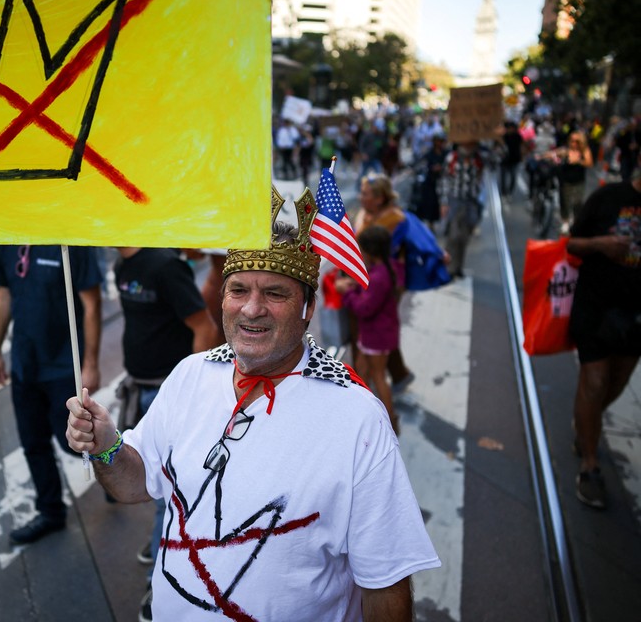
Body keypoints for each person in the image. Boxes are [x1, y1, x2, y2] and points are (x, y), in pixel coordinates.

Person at [66, 187, 440, 620]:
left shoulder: (357, 418)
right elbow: (135, 484)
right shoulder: (190, 375)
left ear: (308, 307)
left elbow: (386, 582)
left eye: (276, 294)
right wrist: (106, 445)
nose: (252, 309)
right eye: (238, 289)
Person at [114, 246, 221, 621]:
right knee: (145, 479)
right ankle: (161, 541)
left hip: (164, 391)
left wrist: (191, 392)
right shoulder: (121, 263)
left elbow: (204, 327)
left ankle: (158, 581)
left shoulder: (166, 266)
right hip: (139, 385)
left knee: (168, 493)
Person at [0, 244, 102, 544]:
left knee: (76, 444)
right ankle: (51, 511)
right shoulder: (7, 240)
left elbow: (91, 304)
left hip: (64, 366)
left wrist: (90, 364)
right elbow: (4, 294)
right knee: (33, 442)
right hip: (25, 364)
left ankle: (115, 472)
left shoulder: (68, 240)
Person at [567, 158, 641, 509]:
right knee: (594, 382)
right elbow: (572, 244)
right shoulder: (608, 197)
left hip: (636, 317)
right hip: (596, 308)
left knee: (615, 384)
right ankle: (590, 464)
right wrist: (602, 244)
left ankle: (584, 423)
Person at [335, 226, 404, 433]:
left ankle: (391, 422)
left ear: (370, 252)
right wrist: (356, 286)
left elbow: (365, 308)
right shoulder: (385, 268)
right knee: (363, 369)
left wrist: (346, 294)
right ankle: (361, 410)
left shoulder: (379, 277)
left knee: (379, 376)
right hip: (375, 333)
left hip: (377, 336)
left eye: (362, 250)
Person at [352, 174, 414, 394]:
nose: (361, 198)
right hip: (364, 277)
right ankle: (393, 374)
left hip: (382, 281)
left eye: (366, 194)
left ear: (379, 198)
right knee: (374, 330)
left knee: (375, 327)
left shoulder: (395, 219)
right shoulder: (365, 215)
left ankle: (375, 380)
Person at [440, 141, 484, 279]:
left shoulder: (478, 159)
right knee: (453, 236)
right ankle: (449, 268)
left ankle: (458, 266)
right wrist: (444, 202)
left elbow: (498, 158)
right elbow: (445, 180)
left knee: (464, 237)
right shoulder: (451, 159)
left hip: (471, 202)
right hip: (455, 201)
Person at [556, 130, 593, 234]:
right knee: (565, 201)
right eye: (572, 141)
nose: (573, 143)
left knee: (577, 203)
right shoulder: (565, 150)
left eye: (576, 141)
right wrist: (558, 157)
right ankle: (565, 221)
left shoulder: (585, 151)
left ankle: (576, 223)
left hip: (578, 181)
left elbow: (589, 163)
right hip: (565, 180)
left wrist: (578, 161)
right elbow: (556, 156)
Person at [499, 121, 524, 199]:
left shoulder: (518, 136)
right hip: (504, 160)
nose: (510, 130)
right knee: (503, 177)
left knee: (513, 177)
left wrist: (522, 156)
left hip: (514, 159)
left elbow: (522, 146)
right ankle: (504, 192)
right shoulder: (503, 137)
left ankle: (510, 192)